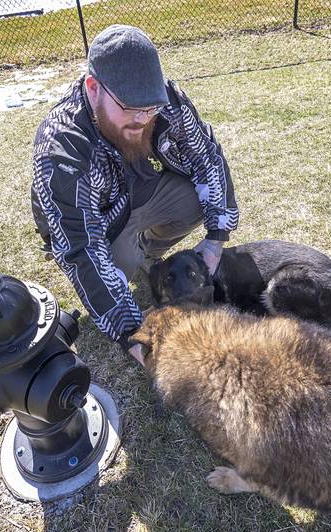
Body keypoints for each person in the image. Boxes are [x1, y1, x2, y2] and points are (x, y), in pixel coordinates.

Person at [31, 25, 238, 366]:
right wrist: (132, 333)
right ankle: (131, 256)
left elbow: (206, 158)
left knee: (193, 200)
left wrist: (216, 237)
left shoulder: (163, 101)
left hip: (141, 192)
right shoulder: (61, 150)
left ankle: (148, 252)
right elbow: (82, 250)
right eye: (130, 108)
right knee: (115, 265)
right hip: (99, 220)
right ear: (93, 88)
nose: (142, 120)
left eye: (150, 109)